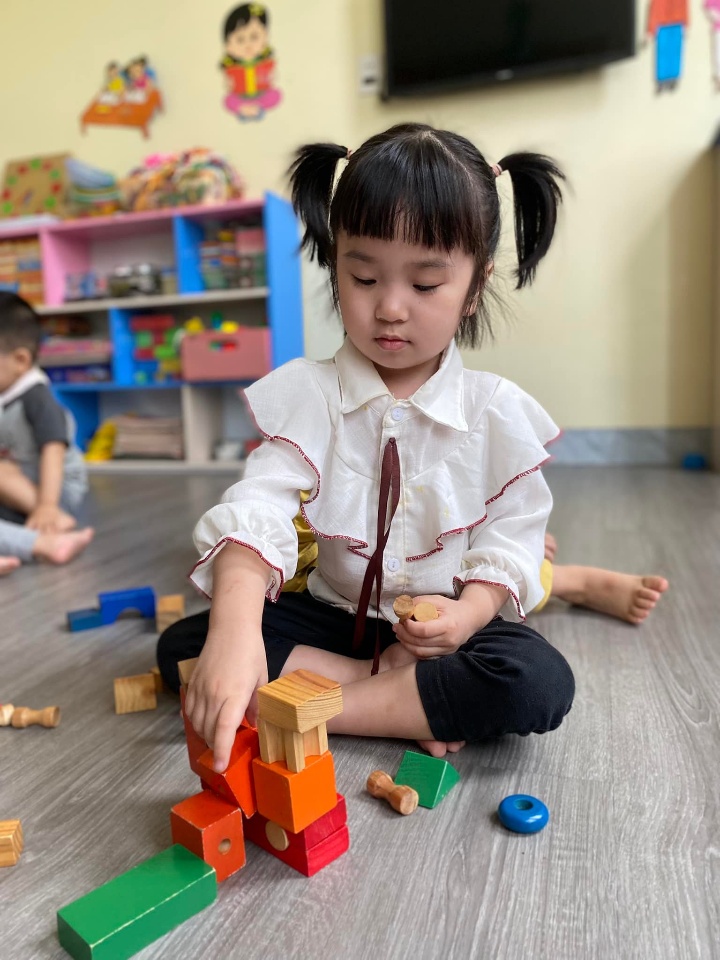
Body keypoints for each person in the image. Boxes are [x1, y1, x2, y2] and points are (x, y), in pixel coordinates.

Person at [159, 122, 575, 769]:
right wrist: (235, 630)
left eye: (425, 284)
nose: (390, 308)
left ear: (474, 287)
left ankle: (328, 702)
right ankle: (400, 699)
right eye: (363, 277)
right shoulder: (309, 392)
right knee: (188, 645)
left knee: (536, 681)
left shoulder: (494, 410)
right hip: (332, 618)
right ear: (336, 267)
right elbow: (259, 503)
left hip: (441, 633)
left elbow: (510, 537)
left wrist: (466, 618)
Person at [0, 293, 94, 565]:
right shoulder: (7, 389)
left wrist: (47, 505)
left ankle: (55, 518)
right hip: (24, 479)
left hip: (56, 486)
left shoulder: (36, 397)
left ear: (20, 360)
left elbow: (53, 450)